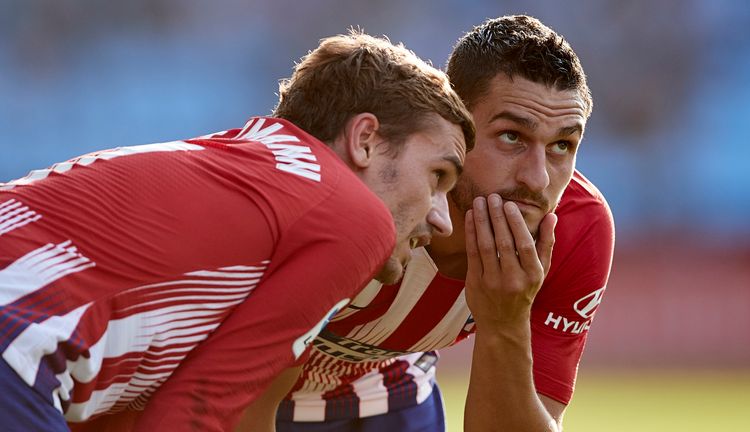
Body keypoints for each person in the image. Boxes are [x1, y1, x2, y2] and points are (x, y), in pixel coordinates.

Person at [0, 31, 475, 432]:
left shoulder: (252, 183)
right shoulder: (355, 218)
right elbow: (196, 412)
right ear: (365, 139)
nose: (442, 217)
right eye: (437, 177)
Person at [275, 15, 615, 432]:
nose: (538, 178)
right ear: (456, 123)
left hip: (393, 400)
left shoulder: (576, 229)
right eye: (511, 136)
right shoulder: (368, 192)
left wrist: (504, 324)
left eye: (562, 144)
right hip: (252, 398)